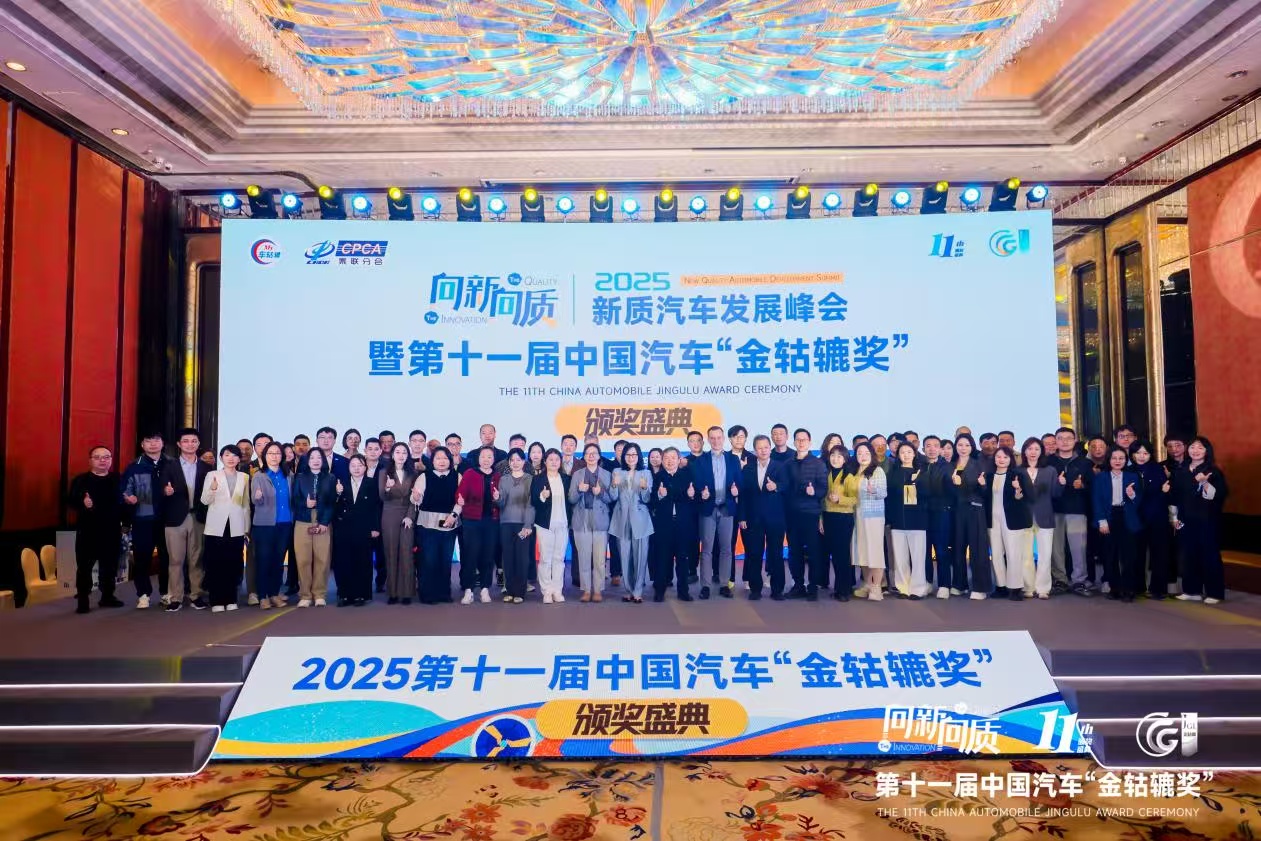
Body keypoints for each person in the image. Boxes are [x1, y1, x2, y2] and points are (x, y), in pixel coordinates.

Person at [159, 427, 212, 612]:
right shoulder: (168, 466)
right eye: (186, 441)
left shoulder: (206, 468)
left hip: (197, 517)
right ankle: (175, 597)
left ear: (198, 444)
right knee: (175, 560)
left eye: (194, 441)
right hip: (175, 518)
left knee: (196, 559)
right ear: (179, 444)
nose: (190, 444)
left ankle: (196, 595)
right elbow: (159, 488)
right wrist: (165, 491)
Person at [67, 446, 124, 613]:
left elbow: (123, 502)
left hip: (111, 530)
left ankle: (107, 596)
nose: (102, 460)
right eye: (97, 457)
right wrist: (83, 503)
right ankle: (83, 599)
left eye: (106, 457)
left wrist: (130, 502)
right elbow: (70, 501)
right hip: (88, 531)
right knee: (84, 567)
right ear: (90, 460)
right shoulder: (81, 480)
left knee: (110, 566)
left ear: (111, 460)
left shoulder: (118, 479)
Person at [1172, 436, 1228, 604]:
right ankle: (1192, 590)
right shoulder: (1181, 471)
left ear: (1206, 451)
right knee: (1188, 554)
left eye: (1200, 448)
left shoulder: (1213, 471)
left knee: (1209, 555)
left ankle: (1214, 593)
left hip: (1207, 519)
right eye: (1192, 447)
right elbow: (1175, 496)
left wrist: (1204, 483)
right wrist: (1174, 517)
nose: (1195, 451)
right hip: (1185, 519)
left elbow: (1218, 495)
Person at [690, 426, 742, 598]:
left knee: (727, 548)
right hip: (708, 509)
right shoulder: (700, 460)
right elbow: (697, 483)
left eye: (719, 437)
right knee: (706, 549)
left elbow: (739, 482)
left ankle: (724, 584)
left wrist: (736, 490)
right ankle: (705, 586)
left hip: (727, 509)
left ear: (723, 439)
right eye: (712, 438)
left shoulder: (733, 459)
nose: (716, 441)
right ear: (708, 440)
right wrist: (701, 493)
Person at [120, 432, 169, 609]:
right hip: (143, 519)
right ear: (142, 445)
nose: (153, 444)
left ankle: (166, 593)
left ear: (163, 443)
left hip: (168, 520)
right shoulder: (134, 466)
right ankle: (143, 594)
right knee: (142, 559)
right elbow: (124, 490)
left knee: (167, 558)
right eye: (148, 441)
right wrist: (128, 497)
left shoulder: (172, 464)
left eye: (156, 440)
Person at [201, 444, 251, 612]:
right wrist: (213, 489)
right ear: (221, 458)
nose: (231, 458)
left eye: (235, 455)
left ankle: (231, 598)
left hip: (236, 526)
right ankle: (216, 600)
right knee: (216, 563)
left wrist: (246, 528)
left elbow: (245, 504)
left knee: (233, 563)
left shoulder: (244, 477)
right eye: (227, 455)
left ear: (239, 459)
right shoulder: (212, 475)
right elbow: (204, 500)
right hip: (216, 526)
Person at [738, 435, 789, 600]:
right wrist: (742, 517)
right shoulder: (748, 469)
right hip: (753, 519)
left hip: (775, 518)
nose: (763, 450)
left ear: (770, 448)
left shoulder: (780, 466)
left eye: (766, 447)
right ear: (755, 450)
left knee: (776, 554)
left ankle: (777, 590)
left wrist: (777, 486)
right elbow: (743, 495)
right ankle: (755, 589)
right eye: (759, 448)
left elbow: (788, 486)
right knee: (754, 554)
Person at [1092, 445, 1143, 602]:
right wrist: (1102, 521)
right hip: (1109, 516)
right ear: (1109, 460)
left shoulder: (1133, 476)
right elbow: (1096, 501)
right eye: (1114, 458)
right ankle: (1115, 589)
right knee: (1110, 555)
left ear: (1126, 460)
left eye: (1121, 458)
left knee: (1129, 556)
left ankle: (1129, 590)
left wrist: (1132, 495)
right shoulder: (1101, 477)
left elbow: (1139, 501)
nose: (1117, 461)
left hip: (1127, 517)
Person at [411, 446, 461, 604]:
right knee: (428, 560)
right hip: (427, 525)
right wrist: (415, 497)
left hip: (449, 523)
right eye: (438, 458)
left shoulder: (457, 476)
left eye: (445, 458)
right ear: (432, 461)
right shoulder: (424, 476)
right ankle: (428, 594)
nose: (442, 461)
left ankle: (444, 593)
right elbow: (415, 499)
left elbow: (461, 500)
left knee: (445, 560)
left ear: (450, 461)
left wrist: (454, 515)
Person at [984, 446, 1033, 601]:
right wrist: (982, 485)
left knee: (1013, 554)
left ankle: (1016, 588)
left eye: (1005, 457)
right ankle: (1000, 586)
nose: (1001, 460)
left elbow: (1027, 497)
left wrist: (1018, 490)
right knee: (996, 554)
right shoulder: (988, 476)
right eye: (998, 456)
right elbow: (984, 497)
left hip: (1012, 519)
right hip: (993, 520)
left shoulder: (1017, 475)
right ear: (994, 459)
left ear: (1011, 459)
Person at [1049, 427, 1094, 596]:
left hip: (1077, 510)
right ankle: (1060, 580)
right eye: (1060, 438)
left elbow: (1093, 487)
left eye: (1069, 438)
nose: (1065, 441)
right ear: (1056, 441)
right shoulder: (1048, 462)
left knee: (1078, 548)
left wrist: (1082, 486)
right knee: (1056, 548)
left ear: (1075, 440)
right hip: (1054, 510)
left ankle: (1079, 581)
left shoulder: (1085, 463)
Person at [332, 454, 381, 606]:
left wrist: (375, 527)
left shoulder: (371, 483)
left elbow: (376, 507)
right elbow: (333, 505)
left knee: (363, 561)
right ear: (348, 468)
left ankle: (361, 595)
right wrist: (337, 493)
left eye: (360, 465)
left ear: (365, 467)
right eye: (353, 465)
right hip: (344, 528)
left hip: (364, 527)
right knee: (343, 561)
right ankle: (344, 595)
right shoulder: (340, 483)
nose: (356, 468)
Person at [784, 428, 827, 600]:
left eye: (804, 440)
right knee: (794, 552)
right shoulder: (788, 464)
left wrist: (814, 492)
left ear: (809, 442)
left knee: (813, 552)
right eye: (798, 440)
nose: (801, 442)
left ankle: (813, 587)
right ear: (794, 442)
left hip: (811, 514)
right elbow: (784, 488)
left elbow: (824, 488)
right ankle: (798, 585)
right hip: (792, 514)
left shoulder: (818, 463)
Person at [290, 448, 336, 607]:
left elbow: (331, 502)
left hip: (323, 520)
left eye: (319, 457)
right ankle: (305, 595)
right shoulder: (300, 477)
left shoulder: (330, 478)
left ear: (323, 460)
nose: (316, 460)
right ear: (307, 461)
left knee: (322, 559)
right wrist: (305, 503)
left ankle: (319, 594)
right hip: (303, 520)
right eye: (312, 458)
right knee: (303, 559)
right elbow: (294, 500)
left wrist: (324, 522)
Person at [250, 442, 293, 609]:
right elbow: (255, 501)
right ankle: (263, 596)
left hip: (285, 523)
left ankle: (274, 594)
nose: (274, 456)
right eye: (270, 453)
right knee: (264, 560)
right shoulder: (259, 476)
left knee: (278, 561)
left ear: (282, 456)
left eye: (277, 453)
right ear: (264, 456)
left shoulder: (288, 475)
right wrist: (258, 496)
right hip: (264, 525)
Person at [455, 446, 501, 603]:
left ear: (493, 459)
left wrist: (498, 498)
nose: (486, 460)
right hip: (471, 521)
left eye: (489, 457)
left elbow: (501, 500)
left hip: (491, 521)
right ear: (478, 459)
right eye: (483, 457)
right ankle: (468, 590)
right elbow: (460, 493)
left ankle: (485, 588)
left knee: (488, 555)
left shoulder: (497, 476)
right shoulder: (470, 473)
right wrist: (460, 499)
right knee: (470, 554)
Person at [567, 443, 612, 602]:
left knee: (599, 559)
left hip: (600, 518)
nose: (591, 456)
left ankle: (598, 590)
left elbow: (612, 498)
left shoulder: (606, 474)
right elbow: (571, 498)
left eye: (594, 453)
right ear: (584, 456)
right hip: (581, 518)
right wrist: (579, 490)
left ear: (599, 456)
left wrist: (601, 492)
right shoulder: (577, 474)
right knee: (583, 557)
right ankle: (586, 590)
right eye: (588, 453)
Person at [609, 443, 654, 603]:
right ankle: (628, 589)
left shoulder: (646, 473)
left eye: (634, 455)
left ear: (639, 456)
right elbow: (613, 497)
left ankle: (638, 590)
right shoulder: (617, 471)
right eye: (628, 455)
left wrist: (644, 488)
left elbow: (647, 499)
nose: (631, 457)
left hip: (640, 519)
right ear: (623, 456)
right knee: (624, 555)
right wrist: (614, 485)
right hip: (621, 518)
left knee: (640, 556)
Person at [886, 442, 931, 599]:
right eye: (902, 452)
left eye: (909, 452)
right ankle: (903, 587)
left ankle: (918, 589)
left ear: (914, 454)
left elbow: (927, 494)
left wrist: (915, 483)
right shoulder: (893, 473)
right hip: (898, 521)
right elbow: (889, 497)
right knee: (900, 557)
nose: (906, 455)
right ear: (898, 455)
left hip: (917, 520)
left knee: (918, 557)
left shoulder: (922, 472)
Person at [651, 447, 696, 602]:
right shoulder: (657, 477)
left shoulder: (687, 476)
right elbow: (651, 501)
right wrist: (659, 495)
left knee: (683, 558)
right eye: (666, 458)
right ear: (662, 461)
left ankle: (683, 592)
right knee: (662, 558)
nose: (669, 461)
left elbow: (693, 499)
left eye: (673, 458)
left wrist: (691, 496)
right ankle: (659, 591)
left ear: (679, 460)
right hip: (664, 525)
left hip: (683, 524)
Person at [1129, 439, 1172, 600]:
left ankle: (1158, 589)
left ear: (1150, 454)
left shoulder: (1158, 469)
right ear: (1132, 454)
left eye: (1145, 453)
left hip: (1157, 517)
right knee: (1136, 553)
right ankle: (1137, 587)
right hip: (1136, 518)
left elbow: (1165, 492)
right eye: (1138, 453)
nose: (1141, 456)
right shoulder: (1128, 470)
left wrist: (1162, 492)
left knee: (1159, 553)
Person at [951, 433, 991, 599]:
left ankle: (980, 588)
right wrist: (954, 485)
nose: (963, 448)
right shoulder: (951, 464)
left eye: (967, 445)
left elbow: (985, 493)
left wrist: (983, 485)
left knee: (978, 550)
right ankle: (959, 585)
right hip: (957, 511)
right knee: (958, 548)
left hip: (975, 510)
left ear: (972, 447)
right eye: (960, 445)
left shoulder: (979, 464)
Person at [531, 448, 571, 604]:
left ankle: (557, 590)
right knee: (545, 559)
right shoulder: (538, 479)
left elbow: (571, 501)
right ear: (545, 461)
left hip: (563, 524)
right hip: (544, 524)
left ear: (560, 462)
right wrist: (542, 496)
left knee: (559, 558)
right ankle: (546, 591)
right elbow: (533, 501)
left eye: (557, 459)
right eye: (550, 459)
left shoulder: (566, 479)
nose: (554, 462)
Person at [379, 443, 417, 604]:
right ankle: (393, 593)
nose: (401, 455)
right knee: (391, 552)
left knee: (407, 553)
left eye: (404, 453)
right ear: (392, 455)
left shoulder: (413, 473)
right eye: (398, 452)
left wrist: (410, 516)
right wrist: (387, 488)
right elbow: (382, 497)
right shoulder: (384, 472)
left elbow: (415, 498)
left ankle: (407, 593)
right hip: (389, 515)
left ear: (408, 456)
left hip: (407, 515)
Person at [1020, 437, 1058, 599]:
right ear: (1024, 451)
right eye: (1029, 449)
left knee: (1045, 554)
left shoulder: (1050, 470)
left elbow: (1055, 494)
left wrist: (1062, 483)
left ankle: (1043, 588)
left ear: (1041, 451)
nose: (1033, 452)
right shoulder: (1018, 470)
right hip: (1024, 516)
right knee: (1025, 555)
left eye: (1036, 449)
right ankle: (1028, 587)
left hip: (1045, 515)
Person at [497, 448, 534, 603]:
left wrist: (528, 525)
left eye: (519, 459)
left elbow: (531, 504)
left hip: (523, 524)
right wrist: (497, 498)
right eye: (512, 460)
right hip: (506, 523)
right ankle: (510, 590)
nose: (515, 463)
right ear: (509, 462)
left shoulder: (530, 479)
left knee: (522, 558)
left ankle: (520, 592)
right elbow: (501, 503)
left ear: (524, 461)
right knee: (508, 557)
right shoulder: (503, 479)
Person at [821, 443, 858, 602]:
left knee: (842, 555)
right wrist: (821, 519)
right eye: (832, 455)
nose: (835, 459)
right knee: (835, 555)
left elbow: (855, 499)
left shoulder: (849, 476)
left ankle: (844, 590)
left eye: (839, 456)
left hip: (843, 518)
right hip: (828, 517)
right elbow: (822, 499)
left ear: (845, 459)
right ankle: (838, 588)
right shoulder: (826, 473)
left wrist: (839, 499)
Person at [852, 443, 887, 601]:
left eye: (866, 453)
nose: (863, 456)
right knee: (862, 551)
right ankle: (867, 583)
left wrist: (874, 491)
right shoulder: (855, 472)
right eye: (859, 453)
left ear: (872, 455)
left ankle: (877, 586)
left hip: (873, 516)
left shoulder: (877, 470)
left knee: (875, 551)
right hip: (857, 515)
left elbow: (883, 493)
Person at [921, 436, 955, 599]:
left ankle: (944, 585)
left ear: (941, 449)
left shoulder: (948, 467)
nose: (932, 449)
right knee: (924, 550)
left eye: (935, 446)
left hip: (941, 512)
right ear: (923, 449)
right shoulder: (919, 466)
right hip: (922, 514)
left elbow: (952, 492)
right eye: (928, 446)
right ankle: (927, 582)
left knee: (941, 550)